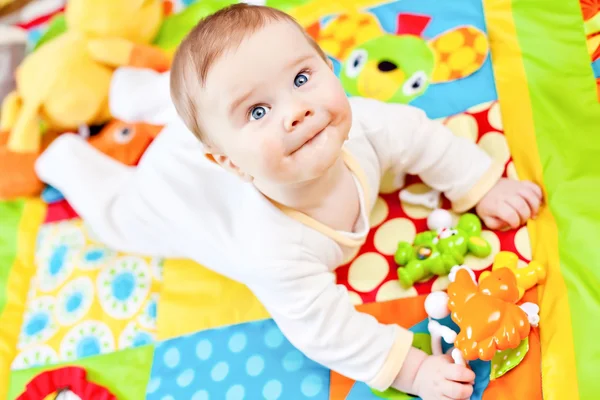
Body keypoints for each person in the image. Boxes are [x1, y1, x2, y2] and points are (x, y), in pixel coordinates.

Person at [36, 4, 542, 400]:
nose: (296, 112)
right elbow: (327, 331)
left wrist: (481, 185)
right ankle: (62, 158)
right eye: (258, 110)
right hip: (174, 188)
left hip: (203, 144)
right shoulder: (273, 250)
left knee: (196, 105)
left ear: (328, 65)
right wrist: (413, 369)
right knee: (117, 217)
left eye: (302, 79)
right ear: (231, 164)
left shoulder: (361, 124)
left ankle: (140, 95)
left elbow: (420, 138)